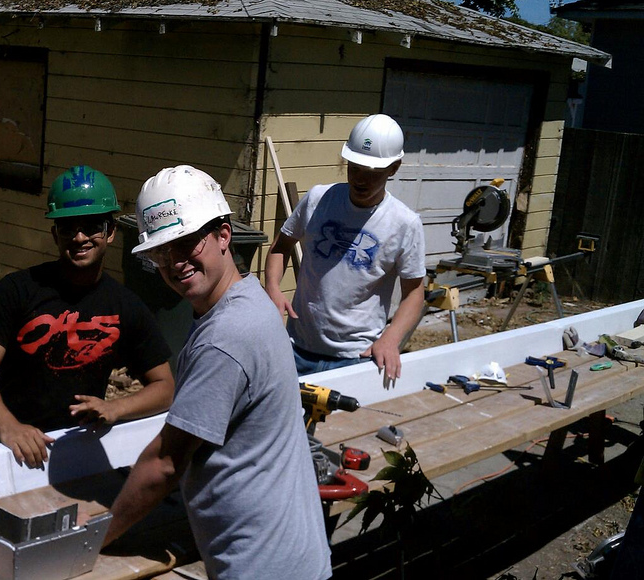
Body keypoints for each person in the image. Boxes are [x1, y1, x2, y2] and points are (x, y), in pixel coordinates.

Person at [102, 165, 332, 579]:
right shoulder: (248, 299)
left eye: (187, 242)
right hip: (288, 557)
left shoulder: (225, 337)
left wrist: (93, 539)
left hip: (261, 567)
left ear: (223, 235)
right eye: (161, 251)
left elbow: (165, 464)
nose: (174, 262)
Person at [0, 165, 175, 468]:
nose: (79, 237)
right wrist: (9, 426)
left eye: (90, 226)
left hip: (82, 454)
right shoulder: (17, 291)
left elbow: (165, 387)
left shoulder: (125, 305)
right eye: (67, 227)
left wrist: (117, 408)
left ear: (110, 232)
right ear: (55, 234)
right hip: (15, 453)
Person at [264, 114, 426, 386]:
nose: (361, 179)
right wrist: (272, 287)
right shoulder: (319, 199)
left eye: (373, 172)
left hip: (356, 356)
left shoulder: (404, 223)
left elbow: (415, 293)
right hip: (295, 349)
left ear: (394, 168)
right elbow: (281, 246)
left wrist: (391, 337)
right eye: (356, 167)